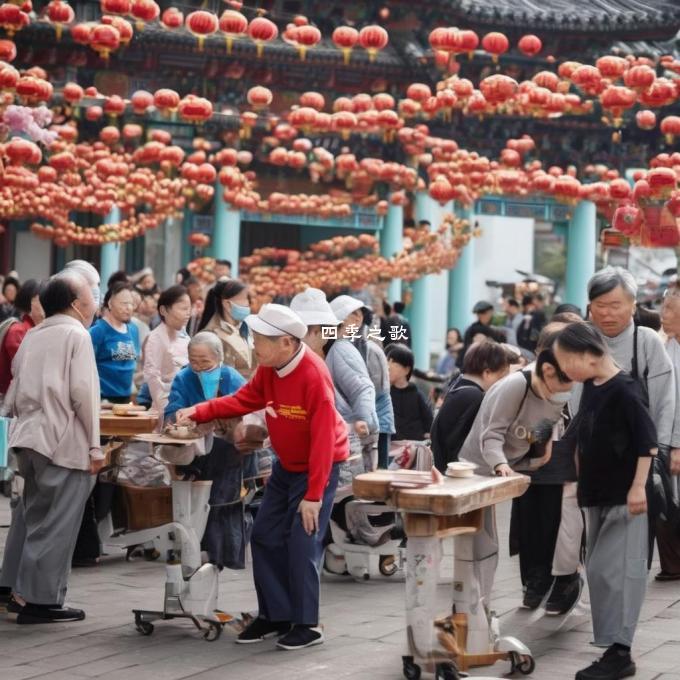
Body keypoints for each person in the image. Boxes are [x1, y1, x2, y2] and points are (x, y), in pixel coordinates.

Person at [175, 304, 349, 650]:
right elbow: (243, 400)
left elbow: (324, 439)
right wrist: (198, 411)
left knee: (302, 543)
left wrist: (313, 496)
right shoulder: (270, 368)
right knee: (265, 536)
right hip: (287, 465)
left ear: (286, 342)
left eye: (259, 340)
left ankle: (307, 624)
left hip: (320, 468)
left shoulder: (314, 375)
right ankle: (275, 614)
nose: (253, 345)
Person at [553, 322, 656, 680]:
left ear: (587, 354)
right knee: (599, 572)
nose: (565, 369)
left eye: (566, 361)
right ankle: (612, 649)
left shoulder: (627, 389)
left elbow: (647, 442)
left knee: (619, 573)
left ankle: (620, 653)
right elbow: (583, 433)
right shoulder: (590, 386)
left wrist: (638, 487)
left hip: (626, 497)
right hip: (596, 494)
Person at [0, 272, 103, 623]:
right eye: (91, 294)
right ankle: (39, 602)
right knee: (56, 524)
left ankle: (17, 592)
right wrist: (95, 446)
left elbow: (13, 389)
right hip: (61, 439)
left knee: (33, 517)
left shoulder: (35, 333)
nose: (95, 300)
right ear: (76, 303)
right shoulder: (77, 334)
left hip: (27, 436)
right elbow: (84, 395)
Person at [457, 334, 574, 608]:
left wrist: (540, 452)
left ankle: (476, 606)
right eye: (563, 382)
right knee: (478, 542)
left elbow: (541, 429)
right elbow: (492, 434)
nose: (565, 390)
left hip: (512, 468)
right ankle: (470, 607)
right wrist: (501, 466)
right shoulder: (515, 386)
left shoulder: (558, 391)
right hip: (480, 468)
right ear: (547, 371)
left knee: (487, 543)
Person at [586, 267, 677, 579]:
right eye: (600, 305)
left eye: (615, 305)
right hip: (593, 458)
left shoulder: (646, 341)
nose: (607, 314)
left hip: (641, 456)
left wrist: (663, 450)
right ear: (589, 307)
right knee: (595, 539)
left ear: (633, 306)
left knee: (635, 542)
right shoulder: (581, 340)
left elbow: (666, 400)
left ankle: (624, 613)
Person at [510, 323, 583, 614]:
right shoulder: (528, 379)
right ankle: (535, 581)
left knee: (559, 530)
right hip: (529, 465)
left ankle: (563, 581)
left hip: (562, 466)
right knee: (530, 528)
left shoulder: (579, 379)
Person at [165, 332, 249, 568]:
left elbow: (247, 406)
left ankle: (221, 553)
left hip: (226, 448)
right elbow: (173, 409)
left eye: (205, 362)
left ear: (219, 358)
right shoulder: (184, 378)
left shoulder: (230, 376)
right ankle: (197, 548)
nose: (199, 367)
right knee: (197, 501)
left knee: (222, 500)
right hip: (196, 450)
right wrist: (179, 417)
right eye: (194, 361)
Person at [431, 340, 511, 472]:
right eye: (500, 377)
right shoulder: (474, 396)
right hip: (458, 473)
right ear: (487, 373)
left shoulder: (458, 385)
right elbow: (463, 443)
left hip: (444, 467)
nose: (500, 384)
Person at [657, 283, 680, 578]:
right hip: (666, 438)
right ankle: (672, 565)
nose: (663, 314)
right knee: (669, 501)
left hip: (675, 441)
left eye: (670, 309)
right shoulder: (666, 348)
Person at [143, 285, 191, 417]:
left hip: (187, 404)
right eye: (183, 309)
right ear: (164, 310)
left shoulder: (185, 335)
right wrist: (168, 410)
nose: (188, 313)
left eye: (189, 309)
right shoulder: (156, 337)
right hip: (166, 408)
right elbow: (152, 376)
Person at [90, 282, 140, 403]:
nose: (129, 308)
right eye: (124, 303)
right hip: (102, 398)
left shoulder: (133, 330)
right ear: (110, 304)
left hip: (126, 397)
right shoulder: (97, 331)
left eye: (131, 304)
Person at [199, 279, 255, 379]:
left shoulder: (246, 328)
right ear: (227, 304)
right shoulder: (211, 336)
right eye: (244, 299)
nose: (248, 304)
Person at [0, 280, 44, 396]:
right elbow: (26, 372)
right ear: (31, 302)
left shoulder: (33, 328)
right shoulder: (18, 331)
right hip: (11, 402)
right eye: (42, 300)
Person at [386, 343, 433, 442]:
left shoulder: (417, 395)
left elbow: (429, 420)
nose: (388, 367)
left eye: (394, 364)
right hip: (392, 445)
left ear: (406, 370)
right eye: (388, 362)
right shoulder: (386, 395)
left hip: (415, 446)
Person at [458, 301, 507, 367]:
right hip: (474, 366)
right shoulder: (475, 329)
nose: (492, 314)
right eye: (490, 312)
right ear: (480, 315)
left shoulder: (493, 327)